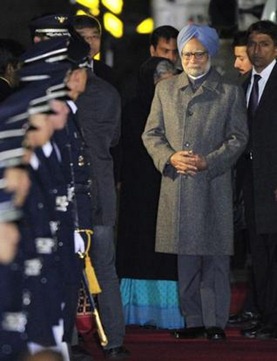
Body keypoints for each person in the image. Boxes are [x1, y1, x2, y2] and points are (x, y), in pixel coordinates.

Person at [142, 23, 248, 341]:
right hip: (179, 184)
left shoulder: (229, 91)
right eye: (186, 54)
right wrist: (169, 157)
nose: (192, 59)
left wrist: (210, 161)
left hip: (212, 184)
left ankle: (215, 322)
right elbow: (151, 134)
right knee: (185, 259)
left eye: (198, 54)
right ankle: (193, 321)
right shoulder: (165, 89)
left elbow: (239, 137)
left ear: (210, 55)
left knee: (215, 256)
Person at [116, 56, 184, 329]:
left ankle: (168, 313)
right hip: (138, 194)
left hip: (169, 189)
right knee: (139, 249)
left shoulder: (179, 108)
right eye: (163, 82)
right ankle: (136, 312)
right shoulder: (133, 109)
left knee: (167, 251)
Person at [238, 20, 277, 340]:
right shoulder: (244, 84)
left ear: (275, 48)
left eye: (264, 44)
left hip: (273, 182)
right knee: (259, 253)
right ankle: (265, 316)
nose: (257, 50)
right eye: (253, 43)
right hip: (251, 182)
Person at [72, 14, 117, 88]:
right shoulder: (61, 70)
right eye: (83, 37)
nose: (90, 42)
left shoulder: (107, 73)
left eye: (94, 36)